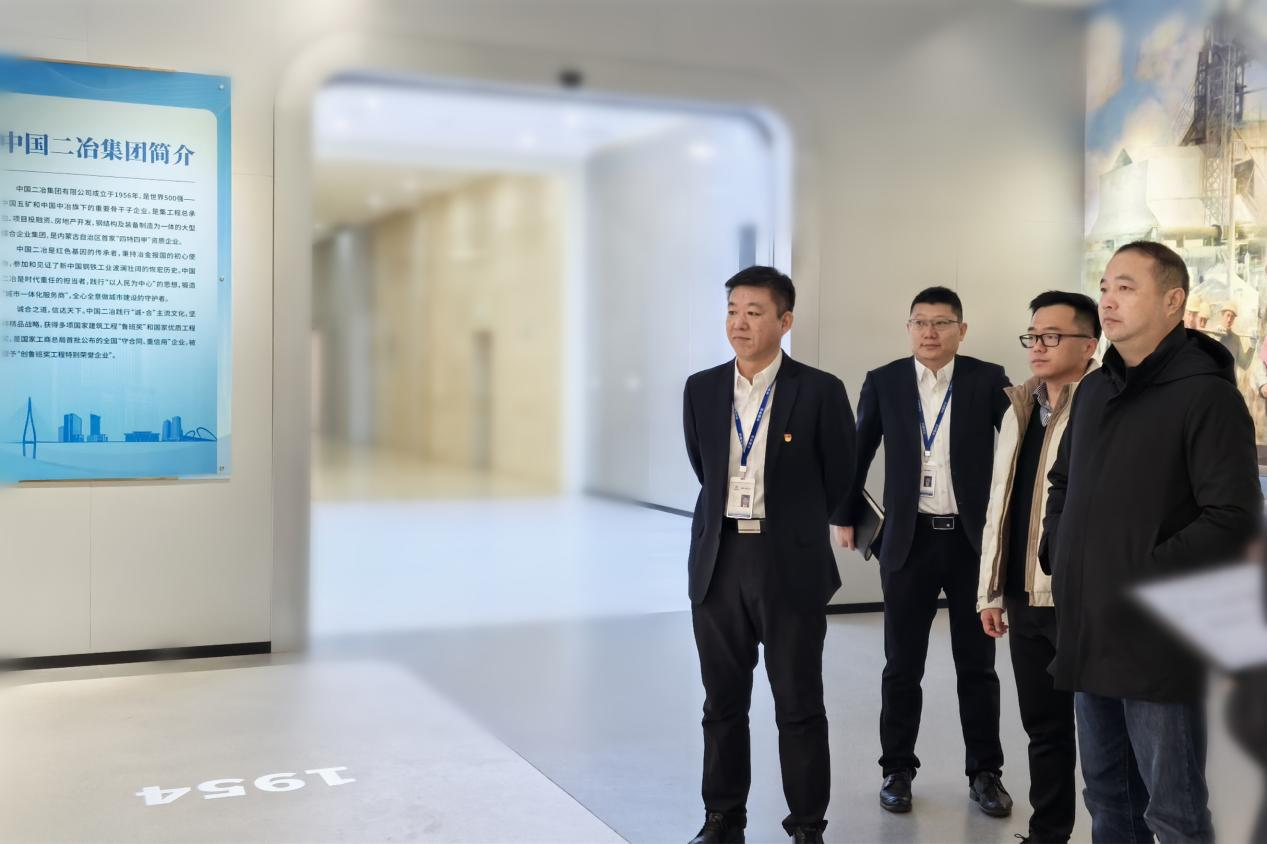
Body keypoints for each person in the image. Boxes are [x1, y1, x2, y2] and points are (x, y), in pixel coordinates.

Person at [1041, 240, 1261, 843]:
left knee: (1173, 812)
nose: (1107, 300)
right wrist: (1059, 551)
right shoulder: (1094, 391)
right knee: (1107, 799)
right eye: (1105, 287)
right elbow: (1062, 483)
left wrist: (1141, 574)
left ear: (1172, 301)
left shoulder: (1207, 396)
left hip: (1158, 638)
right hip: (1090, 629)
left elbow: (1233, 516)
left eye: (1126, 287)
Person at [683, 266, 857, 844]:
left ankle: (806, 825)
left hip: (789, 565)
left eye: (754, 312)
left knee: (798, 703)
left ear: (785, 321)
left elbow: (840, 476)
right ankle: (722, 818)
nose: (740, 322)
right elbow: (704, 467)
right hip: (719, 562)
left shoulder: (819, 390)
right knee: (721, 703)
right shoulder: (702, 389)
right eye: (733, 310)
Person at [835, 286, 1013, 817]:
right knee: (901, 664)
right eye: (920, 322)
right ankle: (897, 770)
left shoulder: (988, 379)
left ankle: (985, 773)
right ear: (908, 328)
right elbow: (858, 449)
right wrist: (844, 513)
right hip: (908, 542)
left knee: (977, 665)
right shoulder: (885, 381)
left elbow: (1016, 450)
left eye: (941, 323)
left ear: (962, 330)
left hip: (971, 542)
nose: (930, 332)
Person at [976, 291, 1100, 844]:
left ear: (1089, 345)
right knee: (1043, 727)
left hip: (1079, 597)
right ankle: (1048, 832)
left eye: (1053, 335)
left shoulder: (1102, 405)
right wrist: (990, 591)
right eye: (1033, 335)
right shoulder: (1019, 406)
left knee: (1104, 736)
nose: (1038, 346)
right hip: (1023, 594)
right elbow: (999, 504)